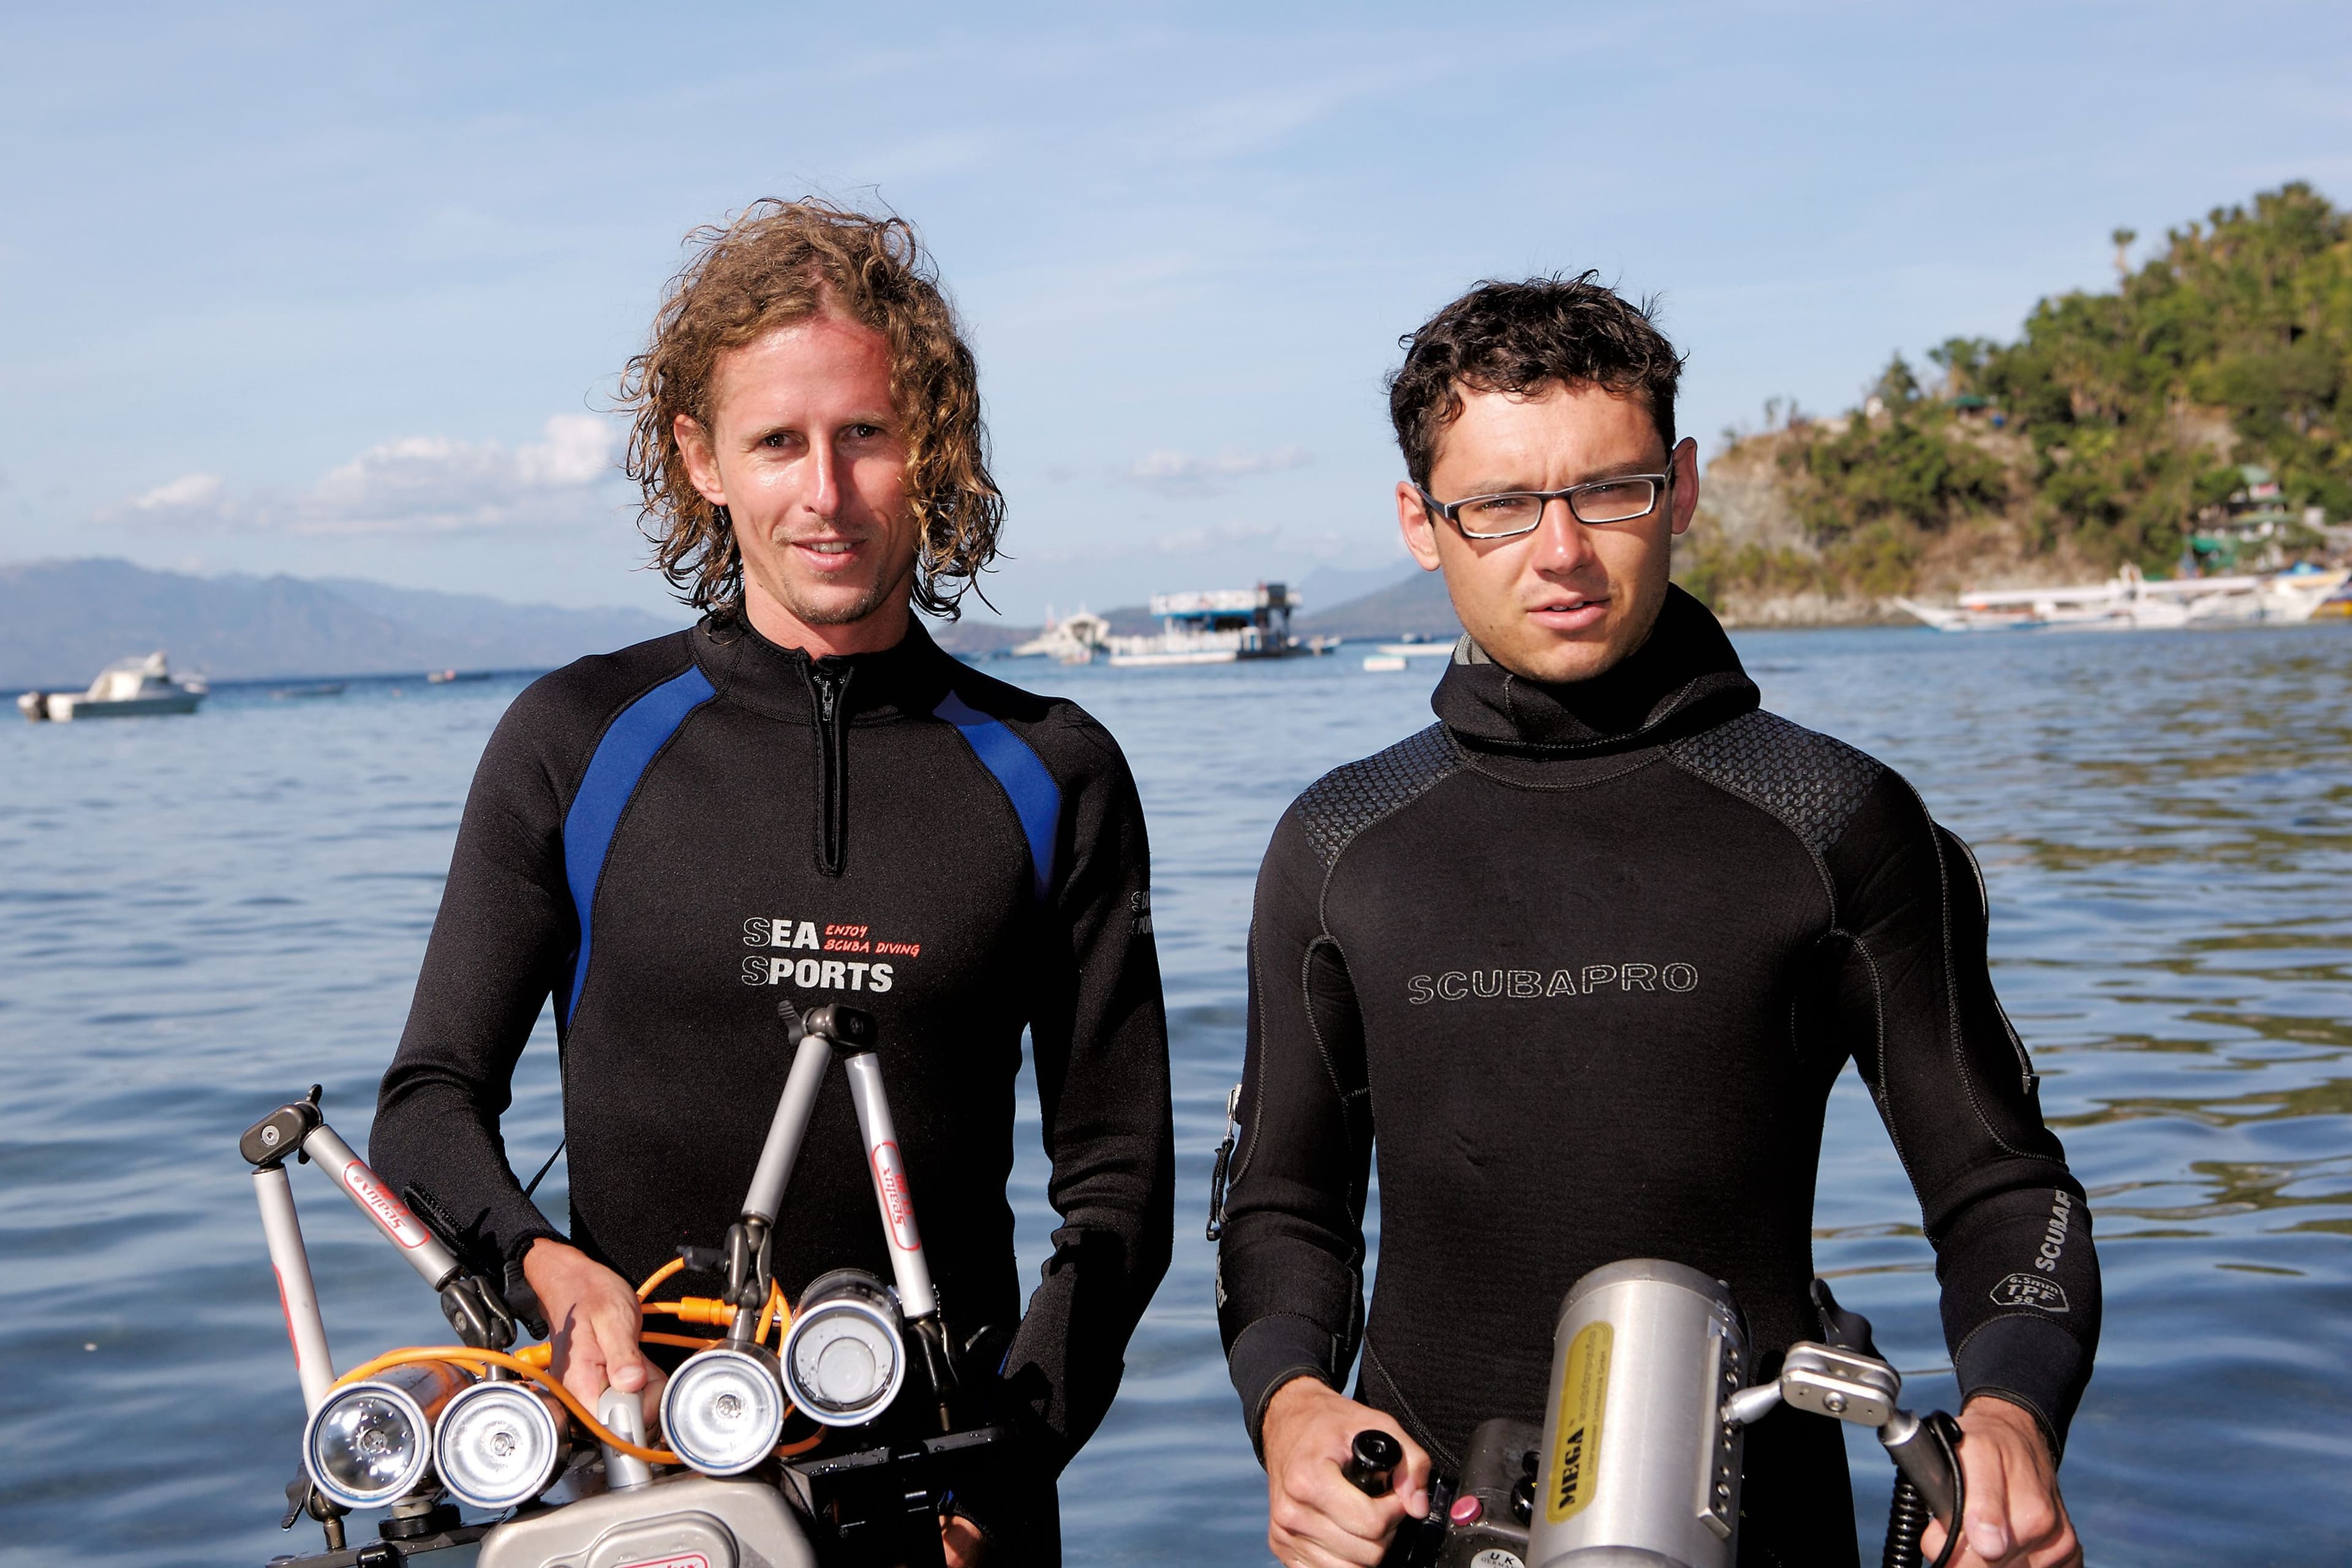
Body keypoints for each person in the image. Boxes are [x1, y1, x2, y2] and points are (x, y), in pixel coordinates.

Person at [1214, 274, 2097, 1568]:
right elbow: (1282, 1204)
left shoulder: (1838, 817)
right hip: (1418, 1528)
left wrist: (2014, 1413)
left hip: (1765, 1523)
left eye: (1609, 489)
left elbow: (2007, 1190)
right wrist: (1291, 1409)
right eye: (1500, 505)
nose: (1561, 550)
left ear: (1679, 487)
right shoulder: (1342, 843)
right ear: (1421, 521)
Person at [371, 200, 1175, 1565]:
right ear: (700, 458)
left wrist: (1007, 1455)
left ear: (934, 447)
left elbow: (1120, 1185)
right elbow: (428, 1102)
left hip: (956, 1497)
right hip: (647, 1485)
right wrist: (543, 1266)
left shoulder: (1052, 769)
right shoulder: (577, 741)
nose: (827, 492)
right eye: (778, 442)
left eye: (867, 433)